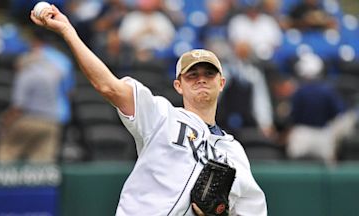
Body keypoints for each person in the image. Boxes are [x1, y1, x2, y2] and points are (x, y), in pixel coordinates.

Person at [31, 5, 267, 215]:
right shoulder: (161, 115)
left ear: (221, 83)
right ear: (178, 85)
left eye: (209, 74)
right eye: (192, 75)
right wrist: (68, 32)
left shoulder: (233, 152)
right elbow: (108, 86)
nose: (201, 80)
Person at [0, 51, 62, 164]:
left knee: (7, 150)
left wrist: (5, 123)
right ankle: (41, 182)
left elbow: (18, 106)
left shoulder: (26, 75)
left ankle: (1, 179)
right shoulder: (53, 74)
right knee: (42, 163)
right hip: (51, 122)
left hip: (29, 120)